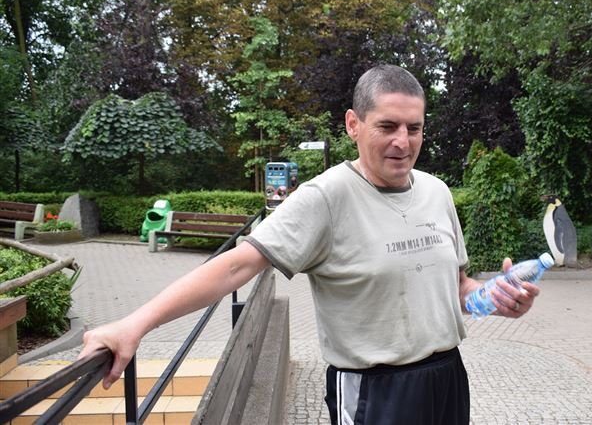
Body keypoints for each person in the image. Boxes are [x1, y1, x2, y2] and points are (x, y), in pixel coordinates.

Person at [80, 64, 540, 424]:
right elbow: (237, 266)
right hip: (374, 391)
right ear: (353, 124)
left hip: (447, 379)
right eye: (387, 126)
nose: (403, 142)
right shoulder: (325, 197)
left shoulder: (437, 193)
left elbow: (456, 287)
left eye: (414, 128)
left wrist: (495, 297)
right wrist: (135, 324)